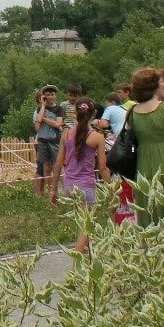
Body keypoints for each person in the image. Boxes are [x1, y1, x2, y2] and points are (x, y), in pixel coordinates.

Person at [126, 67, 164, 227]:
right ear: (153, 87)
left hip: (143, 166)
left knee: (148, 210)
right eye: (161, 83)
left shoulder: (132, 112)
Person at [50, 97, 111, 254]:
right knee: (86, 226)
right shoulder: (97, 137)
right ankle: (76, 266)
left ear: (75, 113)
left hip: (69, 185)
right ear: (94, 114)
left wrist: (54, 189)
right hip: (86, 186)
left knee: (83, 225)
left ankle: (86, 262)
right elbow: (103, 168)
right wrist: (111, 189)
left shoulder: (67, 135)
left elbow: (58, 164)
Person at [33, 86, 64, 195]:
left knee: (57, 166)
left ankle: (59, 189)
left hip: (54, 141)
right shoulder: (40, 109)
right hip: (42, 141)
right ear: (43, 97)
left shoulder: (59, 109)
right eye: (48, 94)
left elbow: (57, 124)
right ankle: (50, 190)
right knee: (46, 167)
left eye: (52, 94)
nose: (50, 96)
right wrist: (43, 106)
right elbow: (37, 126)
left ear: (55, 96)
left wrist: (44, 119)